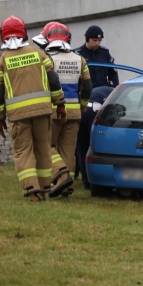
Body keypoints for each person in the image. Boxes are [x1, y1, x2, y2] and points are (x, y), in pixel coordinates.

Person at [0, 16, 66, 202]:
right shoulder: (39, 53)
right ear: (23, 32)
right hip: (42, 112)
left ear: (3, 35)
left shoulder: (1, 62)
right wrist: (60, 104)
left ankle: (32, 191)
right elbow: (54, 80)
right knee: (42, 148)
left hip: (18, 116)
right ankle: (44, 187)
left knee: (23, 151)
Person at [41, 22, 92, 198]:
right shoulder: (80, 59)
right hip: (75, 112)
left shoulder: (47, 59)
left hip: (54, 111)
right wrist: (82, 106)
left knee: (46, 145)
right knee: (68, 149)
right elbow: (87, 87)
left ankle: (62, 177)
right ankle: (67, 188)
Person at [76, 86, 114, 190]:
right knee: (96, 147)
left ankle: (86, 182)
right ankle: (97, 181)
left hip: (80, 111)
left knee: (82, 148)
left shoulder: (102, 90)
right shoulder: (116, 93)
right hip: (92, 111)